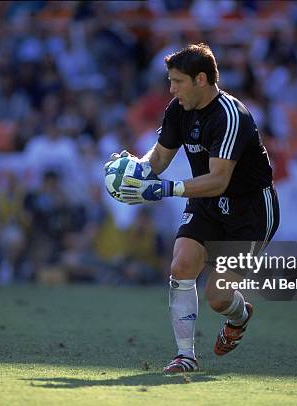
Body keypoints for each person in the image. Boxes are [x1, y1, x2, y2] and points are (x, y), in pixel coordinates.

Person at [106, 44, 279, 373]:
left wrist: (166, 188)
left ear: (201, 79)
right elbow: (157, 159)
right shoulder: (178, 109)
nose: (171, 89)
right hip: (207, 201)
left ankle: (240, 317)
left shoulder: (231, 115)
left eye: (177, 81)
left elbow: (219, 179)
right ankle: (185, 356)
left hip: (251, 210)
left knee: (217, 296)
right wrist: (133, 172)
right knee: (181, 266)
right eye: (170, 81)